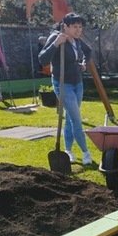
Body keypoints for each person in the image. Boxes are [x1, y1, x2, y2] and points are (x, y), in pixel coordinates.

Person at [38, 12, 93, 165]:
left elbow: (88, 51)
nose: (78, 30)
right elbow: (42, 59)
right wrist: (56, 44)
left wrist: (84, 63)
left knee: (69, 118)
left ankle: (68, 151)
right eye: (75, 27)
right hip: (62, 84)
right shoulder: (56, 37)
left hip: (77, 83)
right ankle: (86, 152)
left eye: (80, 27)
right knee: (76, 119)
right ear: (65, 27)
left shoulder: (77, 41)